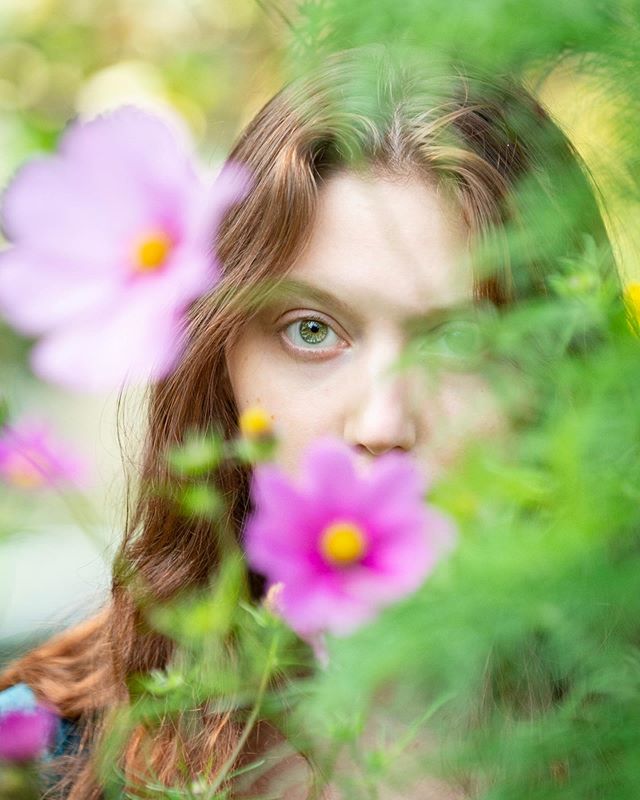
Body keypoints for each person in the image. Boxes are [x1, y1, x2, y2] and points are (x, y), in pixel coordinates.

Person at [0, 48, 613, 799]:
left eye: (462, 341)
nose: (382, 423)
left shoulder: (617, 741)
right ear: (216, 365)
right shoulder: (43, 749)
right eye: (312, 330)